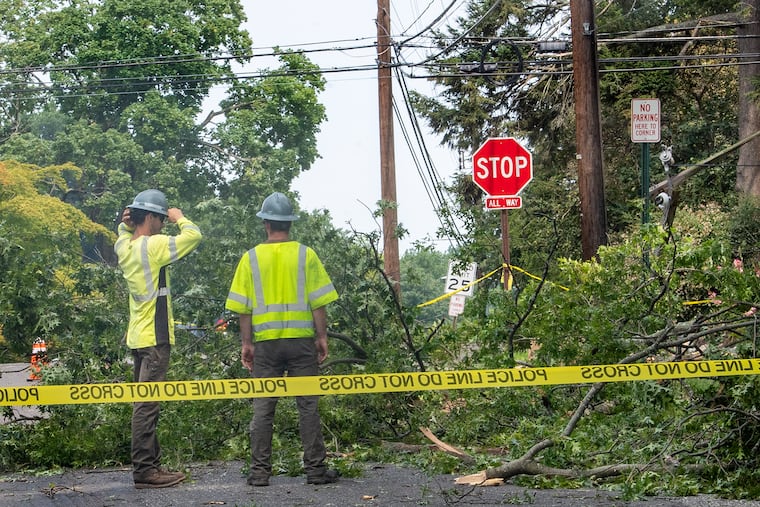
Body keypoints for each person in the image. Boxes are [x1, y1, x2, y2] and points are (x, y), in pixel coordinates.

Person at [225, 192, 339, 487]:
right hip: (301, 343)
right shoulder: (306, 255)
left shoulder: (250, 258)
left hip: (265, 345)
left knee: (263, 408)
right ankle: (315, 470)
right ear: (290, 223)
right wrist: (322, 336)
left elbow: (243, 309)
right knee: (308, 407)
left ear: (265, 223)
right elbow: (319, 303)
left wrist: (246, 344)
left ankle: (259, 472)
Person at [114, 189, 202, 489]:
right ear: (149, 217)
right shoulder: (154, 246)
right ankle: (145, 471)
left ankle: (151, 466)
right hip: (155, 337)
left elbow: (122, 232)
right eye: (161, 218)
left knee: (143, 403)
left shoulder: (124, 246)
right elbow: (193, 236)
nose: (164, 223)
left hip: (139, 337)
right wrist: (181, 218)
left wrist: (126, 224)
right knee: (146, 405)